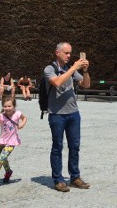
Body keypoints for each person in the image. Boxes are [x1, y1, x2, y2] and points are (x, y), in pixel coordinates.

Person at [45, 42, 91, 193]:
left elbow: (86, 85)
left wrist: (84, 71)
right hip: (57, 114)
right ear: (57, 53)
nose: (69, 56)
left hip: (73, 114)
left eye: (70, 53)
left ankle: (75, 177)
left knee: (75, 146)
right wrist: (74, 68)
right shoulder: (49, 69)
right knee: (57, 147)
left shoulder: (70, 69)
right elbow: (57, 82)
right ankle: (58, 180)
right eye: (66, 53)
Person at [0, 95, 26, 187]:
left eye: (9, 106)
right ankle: (8, 172)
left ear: (14, 106)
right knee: (4, 159)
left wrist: (22, 124)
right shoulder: (2, 116)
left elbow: (24, 118)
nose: (7, 108)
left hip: (12, 141)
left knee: (0, 159)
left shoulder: (17, 113)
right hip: (2, 141)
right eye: (5, 106)